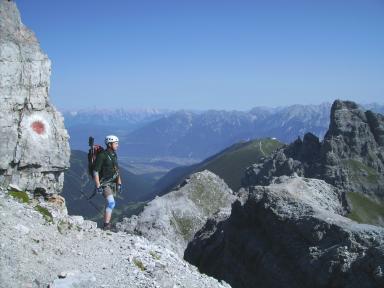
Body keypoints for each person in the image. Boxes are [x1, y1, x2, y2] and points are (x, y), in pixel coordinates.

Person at [93, 135, 122, 230]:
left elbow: (116, 169)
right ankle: (106, 225)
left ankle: (107, 223)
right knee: (111, 203)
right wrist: (98, 186)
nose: (118, 145)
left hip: (111, 182)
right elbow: (95, 171)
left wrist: (119, 182)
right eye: (116, 143)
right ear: (109, 144)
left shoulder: (113, 154)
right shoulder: (102, 156)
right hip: (104, 183)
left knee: (110, 203)